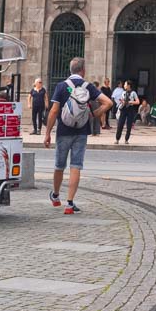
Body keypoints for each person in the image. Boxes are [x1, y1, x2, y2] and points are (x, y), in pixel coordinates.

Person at [44, 58, 111, 214]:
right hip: (81, 131)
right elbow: (108, 103)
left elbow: (54, 111)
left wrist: (47, 133)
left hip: (63, 131)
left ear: (70, 70)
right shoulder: (88, 87)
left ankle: (55, 196)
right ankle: (69, 203)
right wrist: (94, 114)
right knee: (76, 166)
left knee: (59, 165)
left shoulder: (61, 86)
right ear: (83, 71)